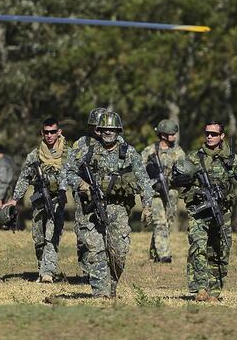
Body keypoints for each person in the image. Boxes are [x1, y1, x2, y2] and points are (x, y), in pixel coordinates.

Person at [171, 121, 237, 302]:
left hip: (222, 212)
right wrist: (187, 186)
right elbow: (177, 180)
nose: (209, 136)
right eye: (207, 133)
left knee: (220, 250)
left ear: (222, 136)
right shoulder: (193, 158)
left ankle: (214, 292)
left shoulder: (230, 159)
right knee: (198, 246)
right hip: (199, 211)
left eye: (214, 134)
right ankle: (201, 288)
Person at [64, 112, 154, 298]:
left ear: (118, 130)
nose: (108, 132)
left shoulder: (128, 152)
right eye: (105, 129)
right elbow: (68, 172)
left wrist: (147, 205)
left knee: (118, 252)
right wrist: (81, 184)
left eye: (112, 129)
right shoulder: (87, 149)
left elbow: (144, 180)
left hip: (118, 209)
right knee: (95, 251)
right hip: (91, 207)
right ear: (99, 130)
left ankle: (111, 286)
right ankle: (100, 294)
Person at [6, 117, 69, 282]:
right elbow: (24, 178)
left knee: (52, 235)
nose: (49, 135)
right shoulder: (35, 155)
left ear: (59, 132)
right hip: (39, 199)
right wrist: (15, 199)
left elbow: (76, 175)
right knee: (39, 238)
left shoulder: (68, 154)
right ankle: (43, 268)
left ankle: (48, 272)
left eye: (53, 132)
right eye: (46, 132)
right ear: (42, 133)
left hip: (57, 200)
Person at [60, 106, 106, 280]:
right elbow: (68, 171)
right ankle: (86, 273)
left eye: (101, 126)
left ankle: (104, 273)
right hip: (85, 198)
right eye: (95, 126)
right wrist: (81, 184)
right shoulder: (81, 144)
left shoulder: (117, 144)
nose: (99, 130)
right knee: (83, 235)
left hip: (108, 197)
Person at [141, 119, 185, 263]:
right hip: (154, 193)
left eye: (174, 133)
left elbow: (183, 172)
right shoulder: (150, 151)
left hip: (171, 192)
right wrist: (151, 181)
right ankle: (164, 255)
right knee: (159, 222)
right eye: (171, 133)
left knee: (167, 223)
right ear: (163, 135)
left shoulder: (178, 152)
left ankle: (154, 252)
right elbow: (140, 171)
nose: (174, 136)